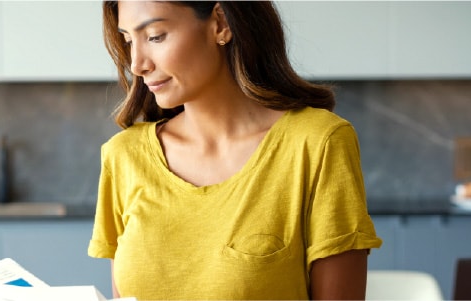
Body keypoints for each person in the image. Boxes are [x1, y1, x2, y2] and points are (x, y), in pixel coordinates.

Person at [86, 1, 383, 300]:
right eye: (127, 40)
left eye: (155, 36)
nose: (137, 64)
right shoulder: (123, 156)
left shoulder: (318, 143)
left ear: (220, 23)